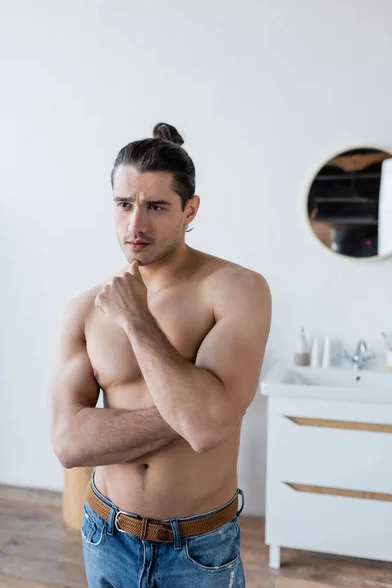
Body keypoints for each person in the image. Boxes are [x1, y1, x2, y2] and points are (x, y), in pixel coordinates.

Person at [47, 122, 271, 587]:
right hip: (106, 533)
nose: (135, 225)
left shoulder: (235, 289)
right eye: (124, 204)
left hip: (198, 545)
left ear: (190, 209)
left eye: (155, 207)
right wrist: (195, 410)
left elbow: (207, 428)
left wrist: (135, 319)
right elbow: (69, 444)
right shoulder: (85, 309)